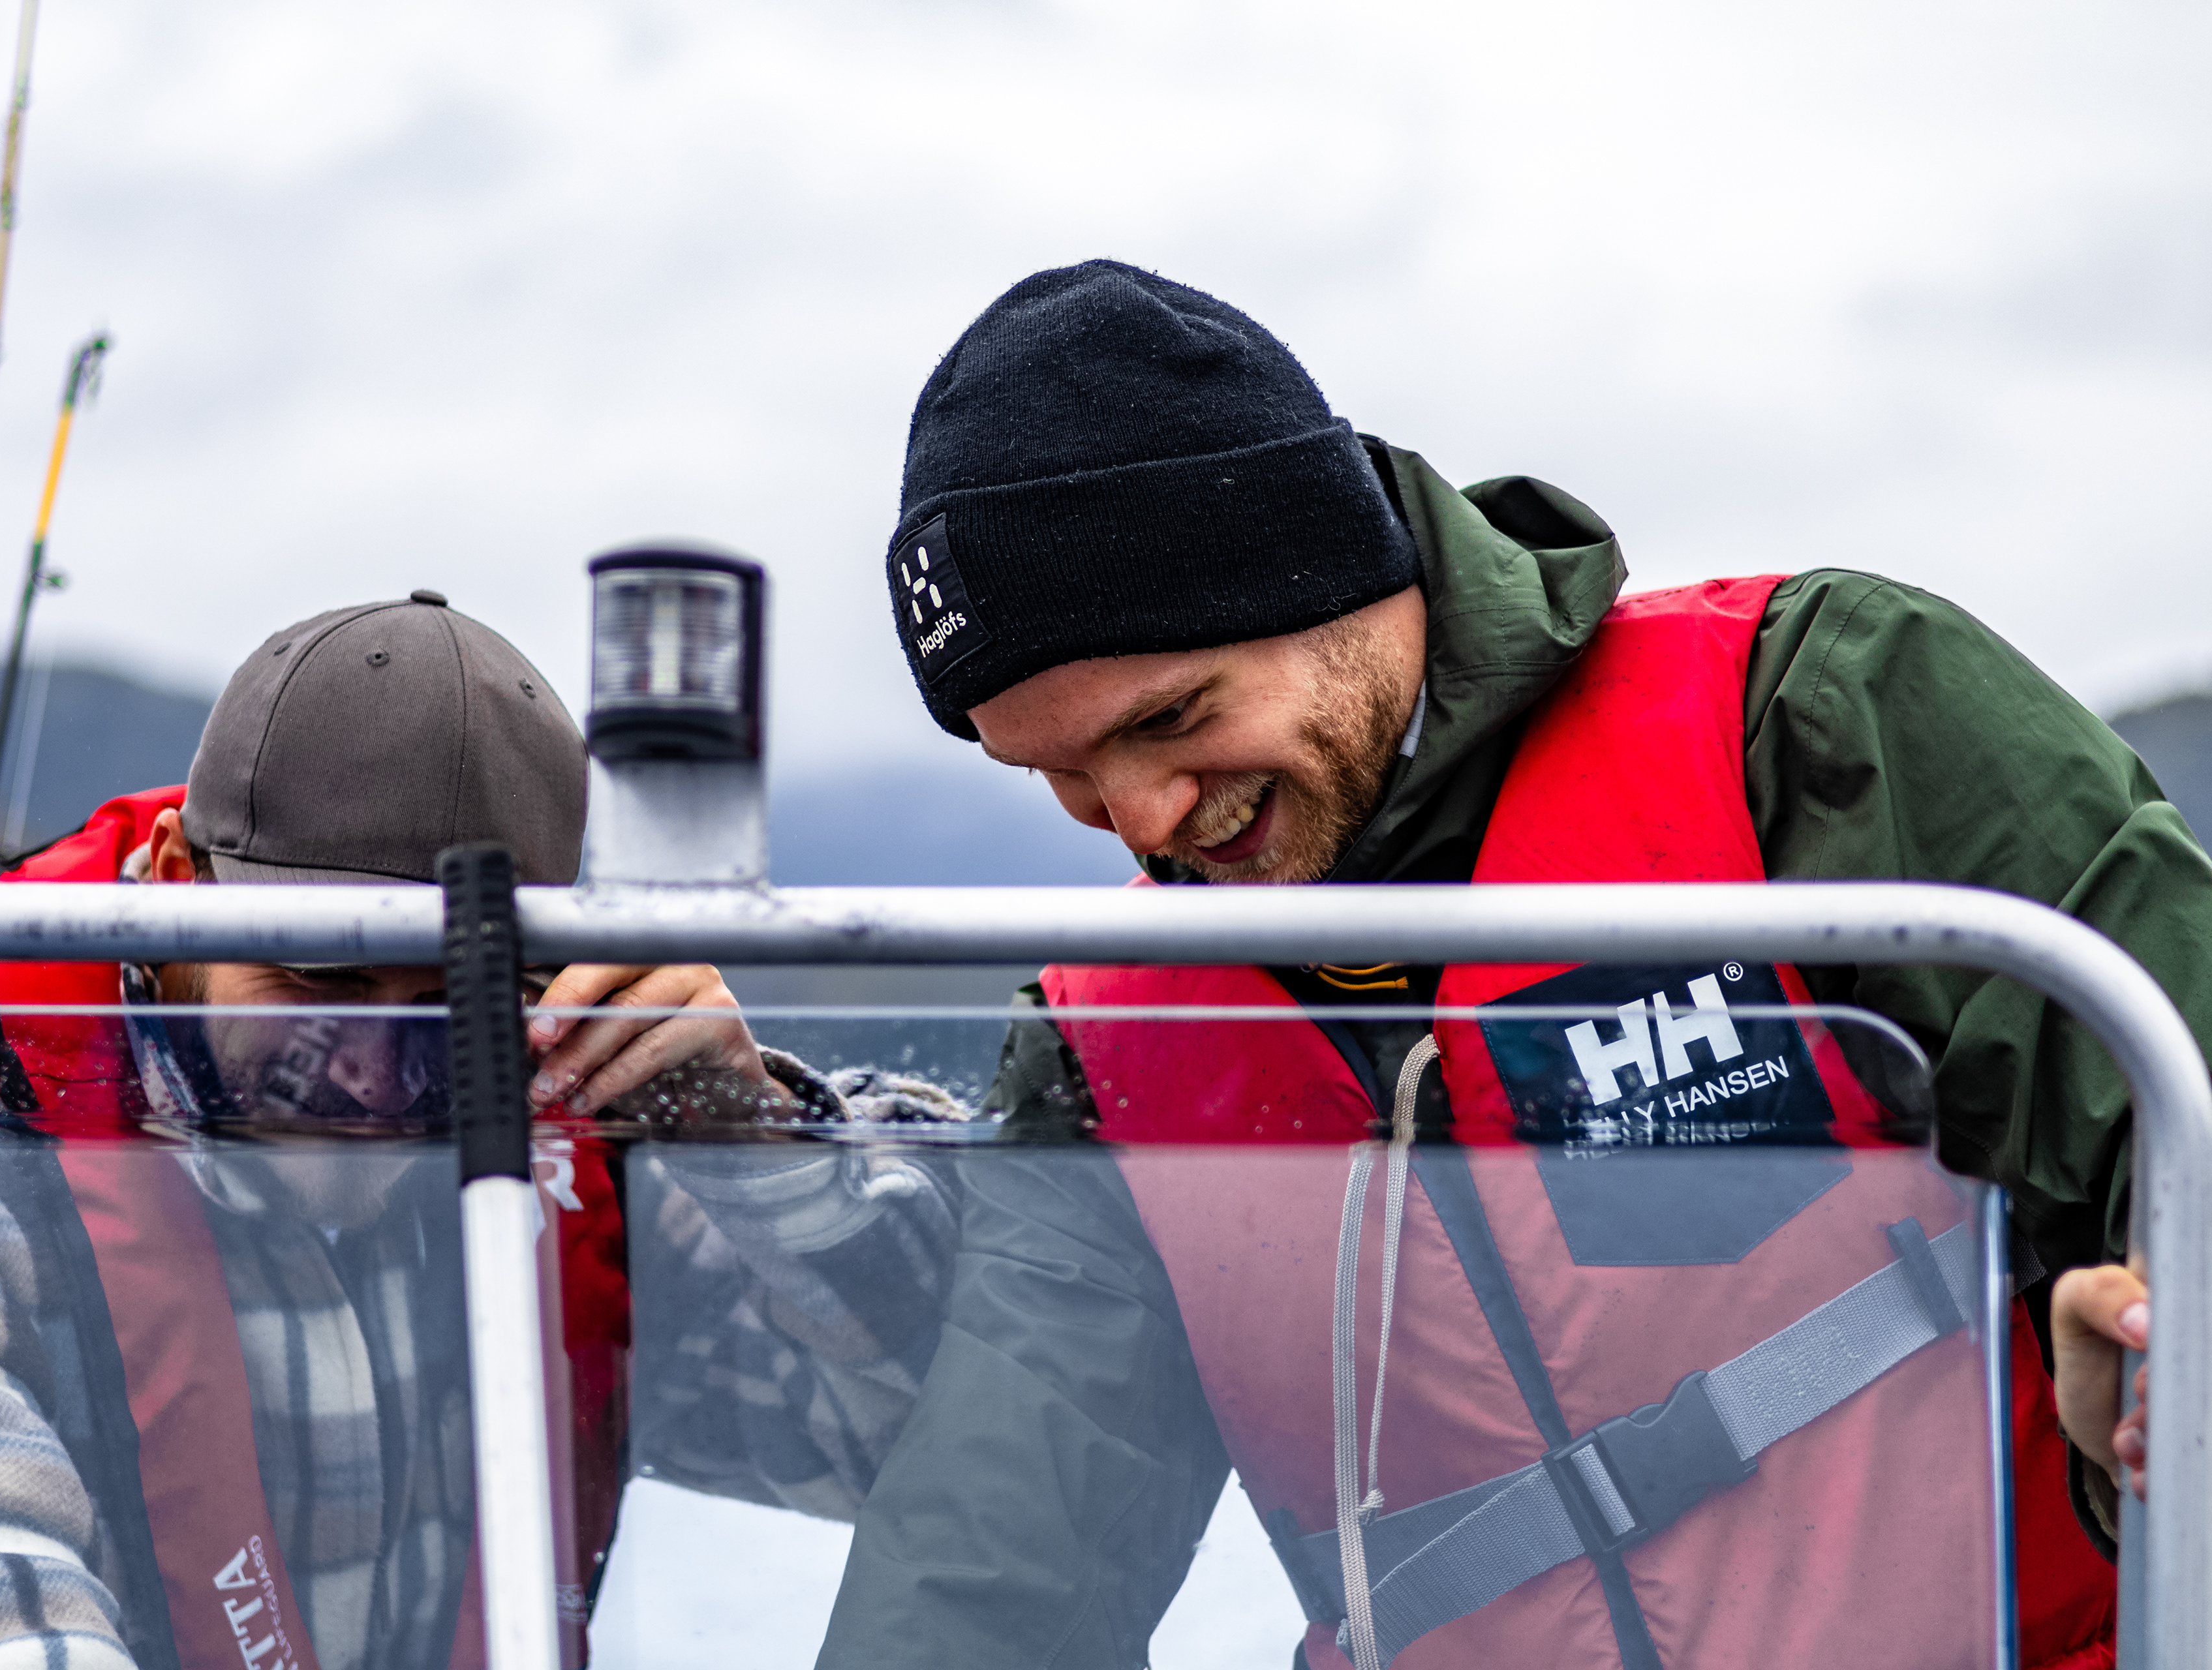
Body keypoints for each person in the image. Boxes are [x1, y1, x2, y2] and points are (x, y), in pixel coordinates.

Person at [807, 261, 2199, 1669]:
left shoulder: (1818, 715)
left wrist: (2150, 1374)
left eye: (1172, 717)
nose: (1145, 820)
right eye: (1059, 773)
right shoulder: (1101, 1041)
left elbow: (2180, 1101)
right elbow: (987, 1563)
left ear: (1327, 579)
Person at [0, 594, 964, 1670]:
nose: (368, 1076)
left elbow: (932, 1442)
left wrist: (753, 1148)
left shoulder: (574, 1162)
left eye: (451, 1007)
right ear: (176, 879)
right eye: (319, 977)